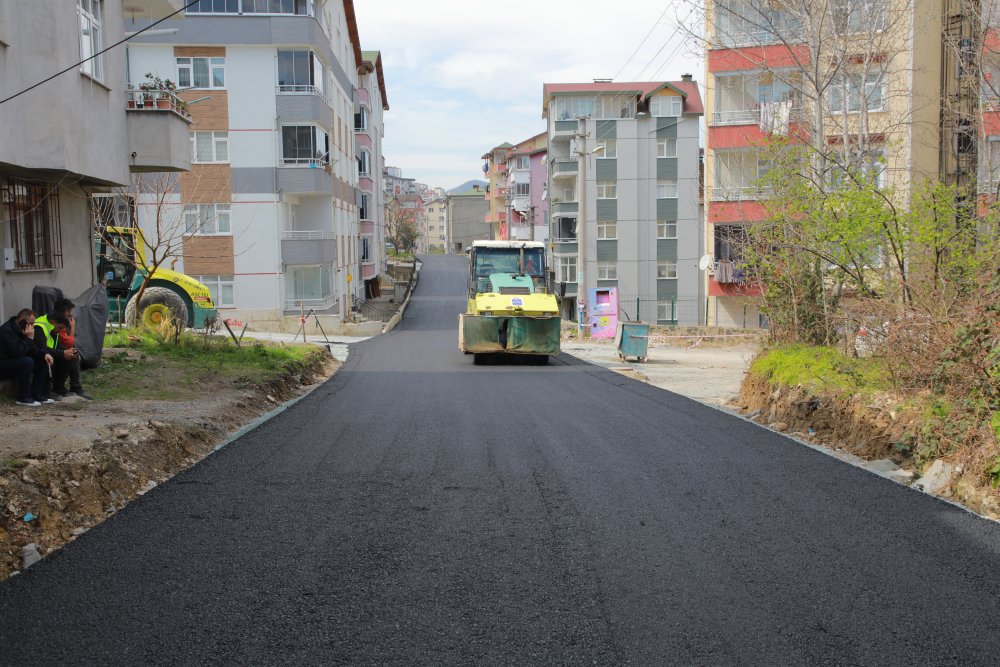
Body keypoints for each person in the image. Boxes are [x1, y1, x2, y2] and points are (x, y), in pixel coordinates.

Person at [33, 310, 93, 401]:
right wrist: (63, 353)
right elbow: (41, 348)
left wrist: (67, 351)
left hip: (48, 354)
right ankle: (50, 390)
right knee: (59, 356)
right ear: (53, 322)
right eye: (60, 328)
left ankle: (72, 387)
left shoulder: (53, 328)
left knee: (72, 355)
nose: (60, 331)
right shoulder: (39, 327)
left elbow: (56, 346)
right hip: (39, 356)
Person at [0, 309, 54, 406]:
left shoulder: (21, 329)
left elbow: (32, 348)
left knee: (43, 360)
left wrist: (44, 354)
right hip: (3, 365)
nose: (33, 326)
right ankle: (23, 397)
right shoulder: (6, 331)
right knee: (27, 361)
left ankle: (37, 394)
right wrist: (29, 338)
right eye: (31, 323)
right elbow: (17, 352)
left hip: (14, 362)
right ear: (22, 320)